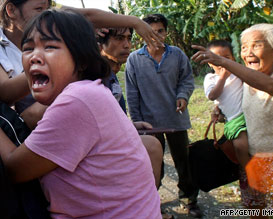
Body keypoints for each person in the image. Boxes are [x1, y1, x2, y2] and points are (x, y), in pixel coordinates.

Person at [0, 9, 161, 218]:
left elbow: (14, 169)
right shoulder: (90, 91)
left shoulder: (77, 100)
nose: (34, 57)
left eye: (49, 46)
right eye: (28, 48)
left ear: (81, 60)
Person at [0, 0, 162, 130]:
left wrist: (135, 22)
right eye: (39, 9)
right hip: (22, 130)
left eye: (48, 8)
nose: (46, 16)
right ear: (11, 10)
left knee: (150, 145)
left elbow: (89, 15)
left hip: (63, 125)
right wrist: (53, 65)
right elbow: (4, 93)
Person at [192, 23, 273, 215]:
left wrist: (224, 62)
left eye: (256, 45)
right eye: (244, 47)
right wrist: (218, 109)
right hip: (251, 162)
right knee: (255, 212)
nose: (248, 53)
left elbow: (271, 86)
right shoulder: (247, 76)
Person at [125, 13, 201, 217]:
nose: (156, 36)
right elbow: (132, 93)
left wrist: (183, 96)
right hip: (149, 124)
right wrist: (137, 121)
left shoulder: (177, 55)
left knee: (183, 161)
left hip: (176, 120)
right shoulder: (134, 59)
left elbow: (186, 80)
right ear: (142, 34)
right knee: (151, 164)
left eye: (160, 31)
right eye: (151, 32)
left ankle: (189, 199)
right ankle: (151, 202)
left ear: (166, 33)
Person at [97, 27, 163, 189]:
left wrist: (131, 125)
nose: (127, 45)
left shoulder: (110, 74)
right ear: (100, 45)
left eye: (128, 38)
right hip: (101, 149)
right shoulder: (95, 77)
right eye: (119, 39)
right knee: (152, 146)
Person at [204, 40, 250, 168]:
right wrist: (223, 78)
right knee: (241, 145)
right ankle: (248, 171)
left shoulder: (238, 72)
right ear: (209, 62)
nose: (221, 62)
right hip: (234, 120)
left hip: (249, 116)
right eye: (216, 59)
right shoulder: (210, 78)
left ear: (233, 59)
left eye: (226, 58)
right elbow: (212, 95)